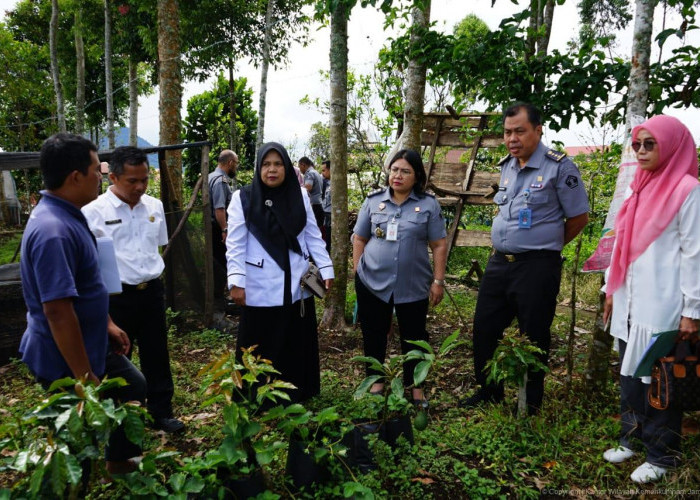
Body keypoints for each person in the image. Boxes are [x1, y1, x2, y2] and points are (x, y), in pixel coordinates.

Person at [19, 133, 146, 475]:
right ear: (75, 177)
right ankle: (74, 484)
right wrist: (83, 376)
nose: (101, 174)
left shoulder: (69, 215)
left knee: (133, 386)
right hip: (64, 357)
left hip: (91, 342)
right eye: (96, 169)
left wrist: (105, 322)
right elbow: (58, 311)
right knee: (76, 441)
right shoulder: (53, 231)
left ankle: (120, 463)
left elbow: (84, 284)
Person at [461, 102, 589, 414]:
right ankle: (490, 392)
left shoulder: (559, 167)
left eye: (519, 131)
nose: (512, 138)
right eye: (507, 132)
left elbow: (579, 218)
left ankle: (530, 404)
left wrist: (544, 245)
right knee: (485, 328)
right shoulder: (507, 166)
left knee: (534, 335)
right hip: (499, 262)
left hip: (537, 267)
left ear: (537, 130)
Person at [602, 115, 700, 484]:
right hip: (630, 300)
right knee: (630, 374)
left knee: (659, 379)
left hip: (663, 303)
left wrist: (692, 310)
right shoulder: (638, 186)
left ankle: (662, 456)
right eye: (637, 144)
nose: (640, 151)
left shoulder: (687, 189)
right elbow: (621, 243)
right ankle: (631, 438)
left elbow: (695, 253)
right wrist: (610, 291)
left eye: (649, 144)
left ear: (671, 145)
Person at [82, 146, 184, 434]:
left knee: (157, 353)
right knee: (116, 358)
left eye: (144, 179)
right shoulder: (92, 213)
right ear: (112, 177)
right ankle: (117, 417)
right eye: (132, 181)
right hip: (115, 298)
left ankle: (161, 411)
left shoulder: (153, 206)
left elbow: (157, 246)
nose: (140, 187)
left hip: (151, 291)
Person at [226, 142, 334, 403]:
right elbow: (235, 244)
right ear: (258, 167)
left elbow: (312, 235)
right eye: (266, 164)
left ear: (286, 167)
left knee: (294, 341)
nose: (272, 170)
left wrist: (326, 267)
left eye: (277, 164)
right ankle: (255, 396)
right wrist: (236, 282)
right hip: (259, 286)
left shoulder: (300, 195)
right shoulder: (243, 198)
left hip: (296, 285)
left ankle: (297, 394)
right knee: (259, 343)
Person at [352, 149, 447, 407]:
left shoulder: (428, 204)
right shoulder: (373, 201)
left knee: (414, 337)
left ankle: (415, 388)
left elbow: (439, 244)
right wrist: (358, 270)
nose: (398, 175)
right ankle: (377, 382)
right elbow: (359, 238)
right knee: (374, 333)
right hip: (372, 282)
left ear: (416, 176)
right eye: (394, 169)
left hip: (413, 285)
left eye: (405, 171)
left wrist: (438, 281)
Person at [208, 150, 239, 323]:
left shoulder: (210, 176)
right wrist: (224, 229)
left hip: (212, 228)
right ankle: (217, 312)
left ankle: (222, 304)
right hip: (217, 228)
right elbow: (219, 208)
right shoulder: (220, 181)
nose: (236, 166)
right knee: (221, 267)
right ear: (229, 163)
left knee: (218, 266)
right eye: (236, 163)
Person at [298, 156, 325, 230]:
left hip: (314, 204)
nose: (300, 170)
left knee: (313, 228)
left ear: (303, 165)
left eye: (300, 167)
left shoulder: (309, 173)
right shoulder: (316, 172)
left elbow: (308, 188)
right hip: (319, 203)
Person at [321, 160, 332, 251]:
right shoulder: (327, 183)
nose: (322, 173)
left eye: (324, 170)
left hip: (331, 215)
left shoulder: (335, 185)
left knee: (328, 240)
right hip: (326, 215)